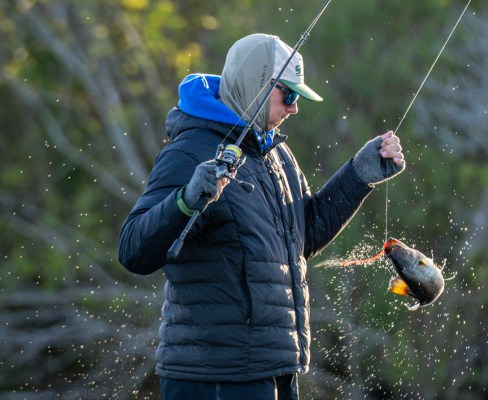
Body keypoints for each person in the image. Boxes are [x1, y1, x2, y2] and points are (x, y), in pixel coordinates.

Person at [118, 33, 405, 400]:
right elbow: (133, 251)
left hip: (275, 369)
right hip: (216, 378)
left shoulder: (276, 155)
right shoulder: (190, 150)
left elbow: (304, 236)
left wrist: (359, 175)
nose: (294, 108)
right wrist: (187, 199)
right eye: (289, 95)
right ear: (257, 85)